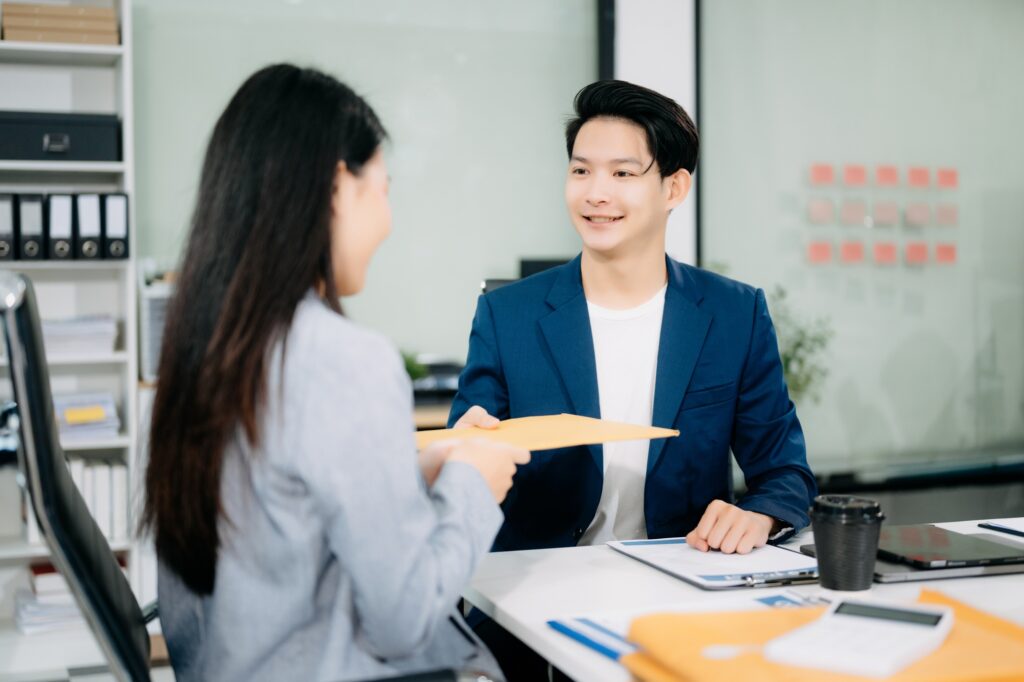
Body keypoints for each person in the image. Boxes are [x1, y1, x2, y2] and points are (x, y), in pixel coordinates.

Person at [141, 64, 528, 682]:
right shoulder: (343, 358)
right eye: (383, 189)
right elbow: (403, 620)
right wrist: (472, 484)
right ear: (334, 187)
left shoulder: (209, 347)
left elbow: (278, 504)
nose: (388, 219)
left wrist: (419, 464)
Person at [450, 80, 817, 679]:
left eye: (623, 174)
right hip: (531, 613)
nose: (596, 194)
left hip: (680, 605)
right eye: (580, 171)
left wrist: (763, 514)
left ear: (674, 187)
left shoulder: (733, 313)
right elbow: (464, 460)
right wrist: (465, 450)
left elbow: (785, 472)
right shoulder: (508, 314)